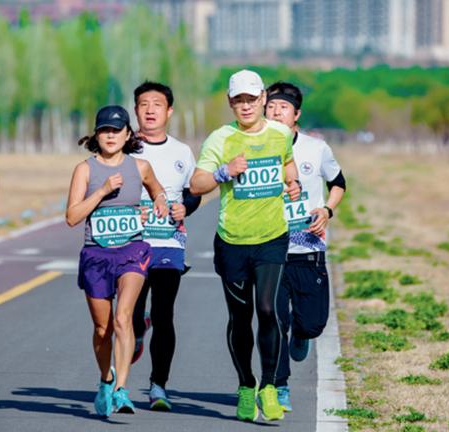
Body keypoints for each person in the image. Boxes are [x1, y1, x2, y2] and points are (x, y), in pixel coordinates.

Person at [189, 69, 300, 422]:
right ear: (230, 102)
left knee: (268, 309)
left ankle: (269, 386)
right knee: (240, 317)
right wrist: (224, 171)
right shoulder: (220, 139)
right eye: (239, 100)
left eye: (252, 98)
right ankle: (246, 384)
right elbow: (196, 184)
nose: (246, 105)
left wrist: (292, 184)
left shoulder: (281, 133)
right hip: (232, 242)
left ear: (263, 98)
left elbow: (288, 165)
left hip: (271, 238)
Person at [65, 105, 168, 417]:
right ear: (97, 135)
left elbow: (157, 190)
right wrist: (103, 192)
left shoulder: (141, 167)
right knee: (102, 328)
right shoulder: (85, 169)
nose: (110, 136)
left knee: (124, 318)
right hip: (96, 254)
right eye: (104, 130)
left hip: (132, 252)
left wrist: (160, 201)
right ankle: (106, 379)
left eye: (116, 130)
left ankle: (122, 391)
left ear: (128, 134)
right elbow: (72, 217)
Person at [264, 82, 346, 412]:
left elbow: (338, 183)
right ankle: (279, 385)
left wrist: (327, 210)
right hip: (270, 249)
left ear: (296, 114)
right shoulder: (256, 146)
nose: (274, 111)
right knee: (274, 319)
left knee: (312, 324)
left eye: (281, 107)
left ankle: (302, 334)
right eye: (270, 106)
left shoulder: (317, 149)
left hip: (308, 247)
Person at [130, 81, 201, 411]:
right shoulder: (125, 148)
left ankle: (158, 385)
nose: (150, 110)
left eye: (157, 104)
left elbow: (194, 191)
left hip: (169, 242)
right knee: (130, 312)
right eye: (143, 104)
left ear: (169, 111)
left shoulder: (181, 151)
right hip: (130, 243)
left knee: (164, 313)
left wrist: (185, 206)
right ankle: (137, 329)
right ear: (135, 110)